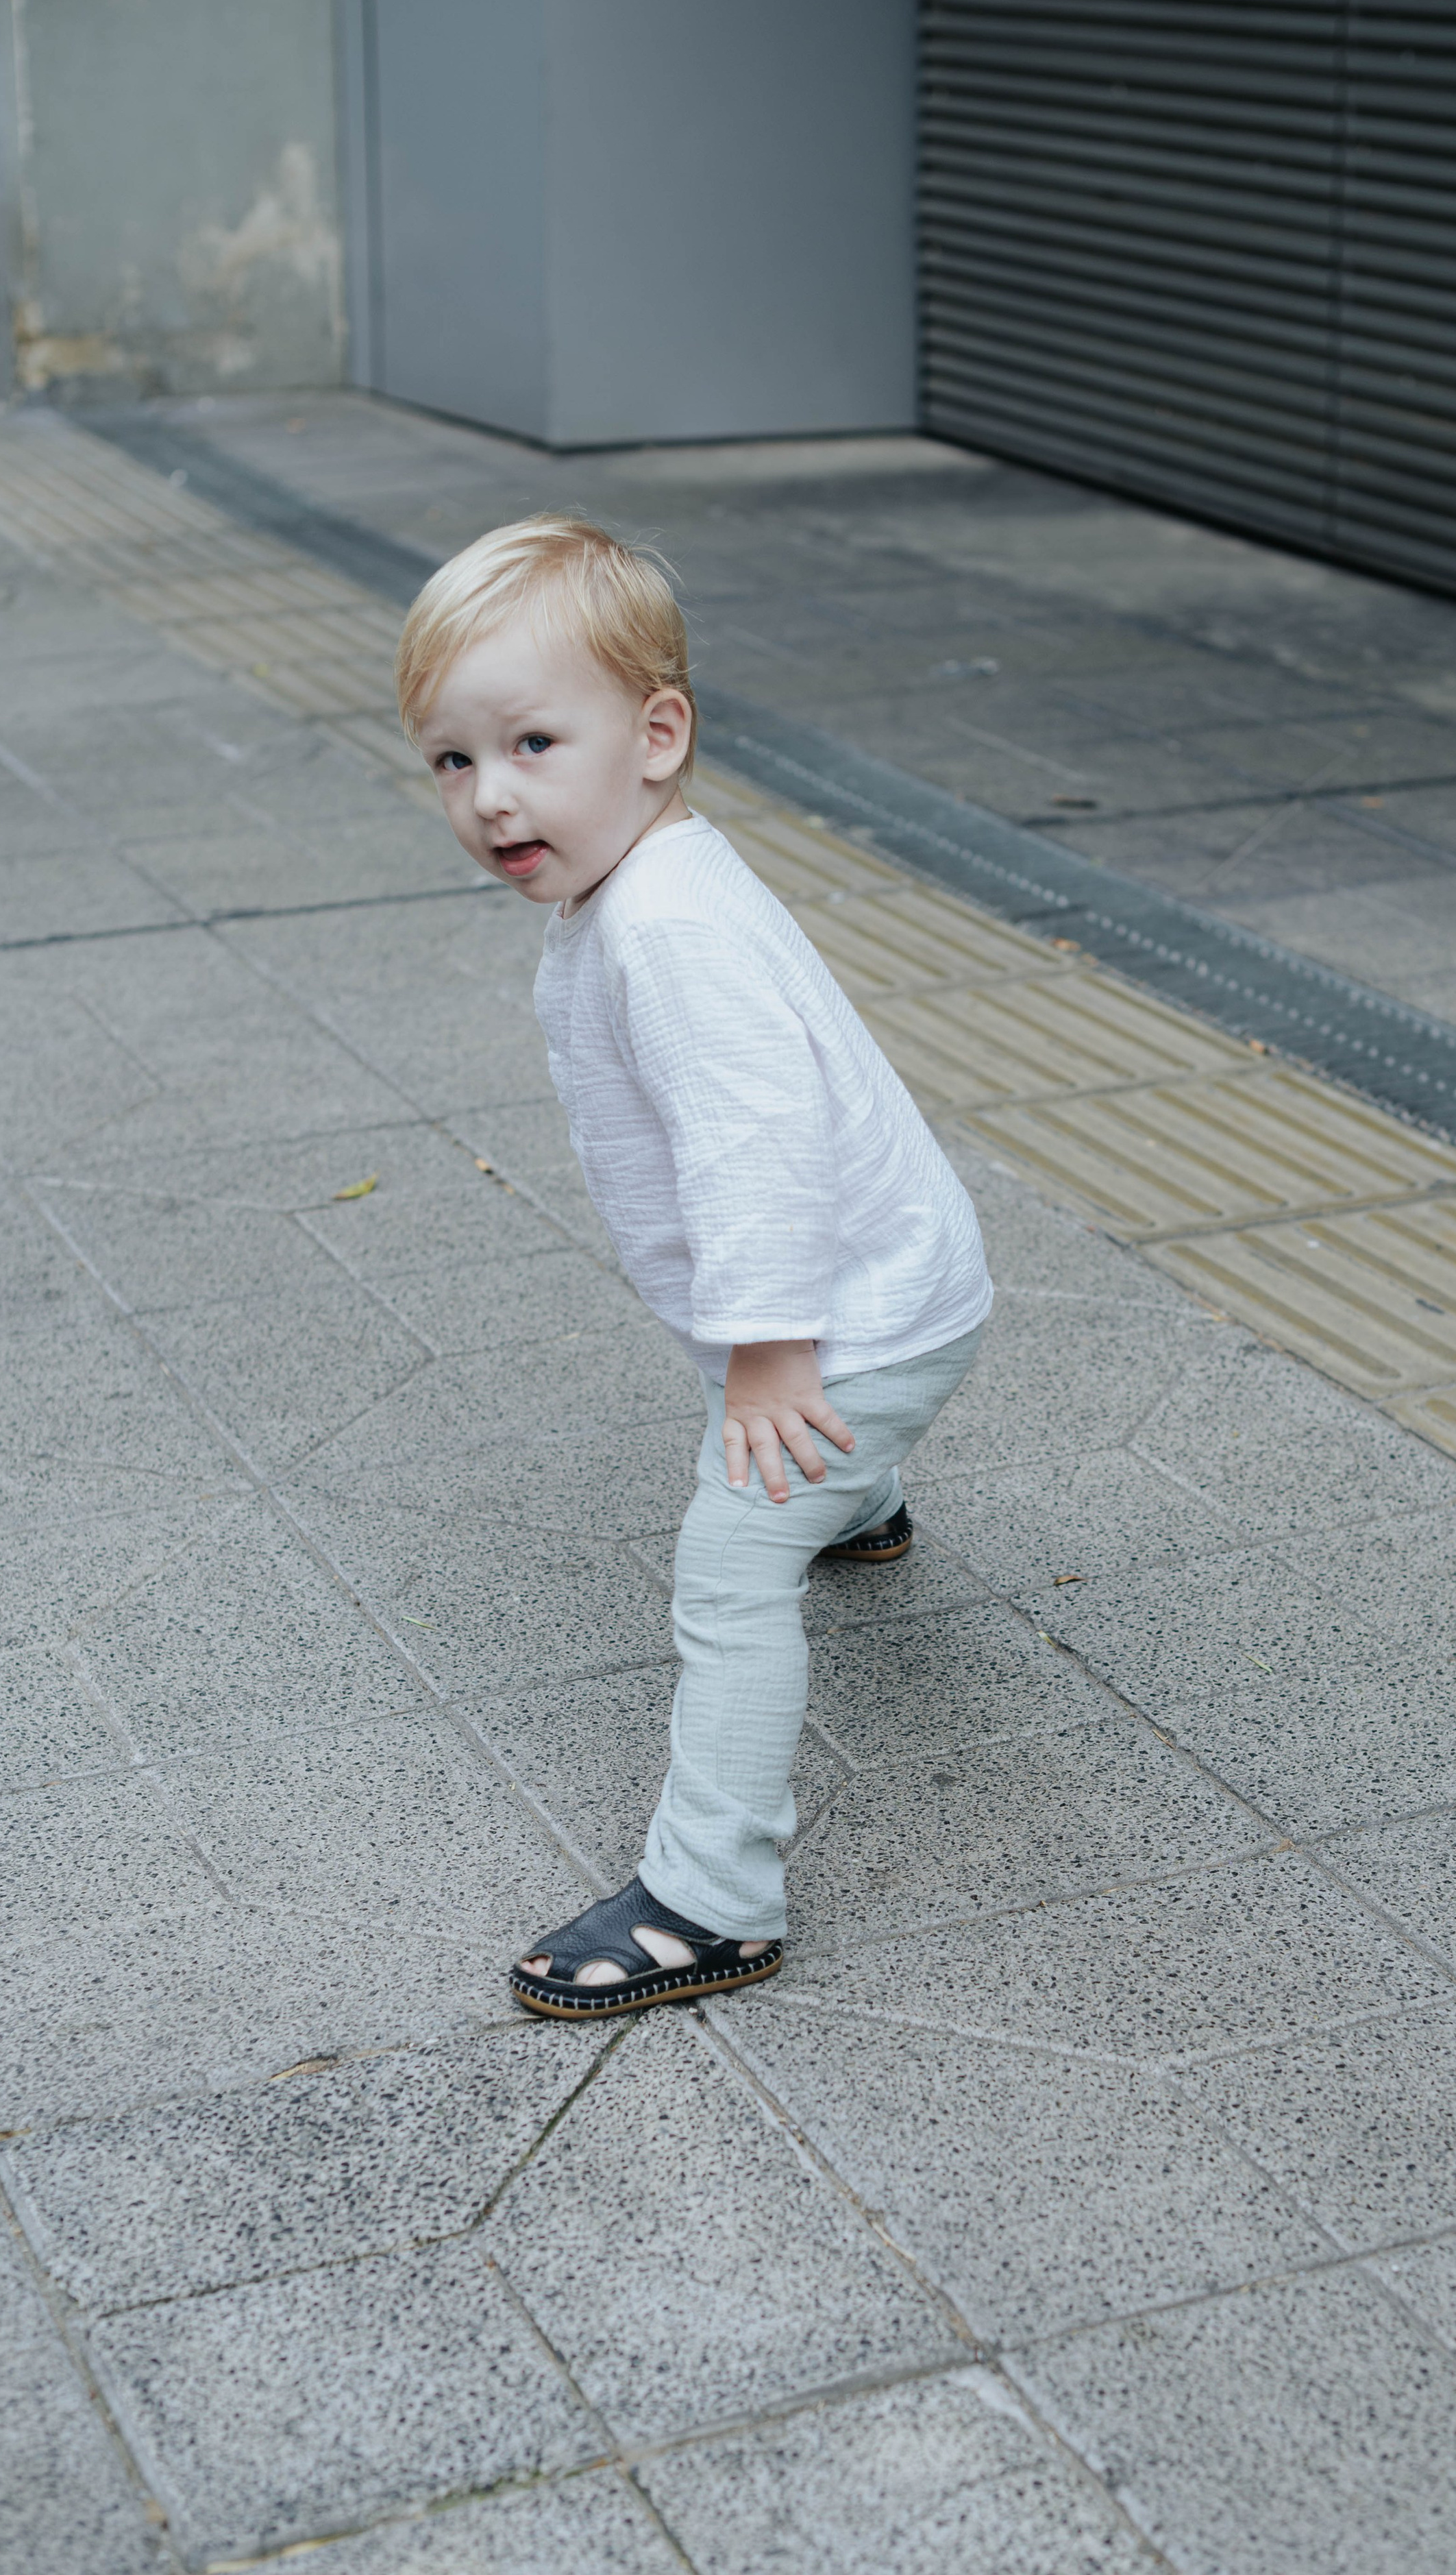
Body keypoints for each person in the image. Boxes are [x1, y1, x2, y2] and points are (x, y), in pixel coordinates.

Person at [395, 515, 991, 2019]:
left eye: (533, 739)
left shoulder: (661, 929)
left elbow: (752, 1142)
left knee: (726, 1575)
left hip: (846, 1319)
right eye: (453, 760)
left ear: (657, 735)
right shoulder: (644, 875)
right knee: (793, 1471)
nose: (491, 795)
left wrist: (772, 1348)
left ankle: (710, 1896)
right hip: (889, 1282)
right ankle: (859, 1494)